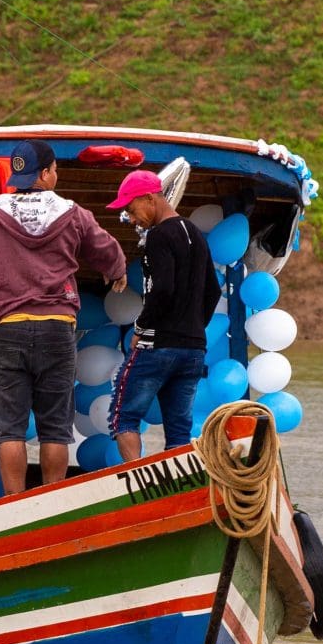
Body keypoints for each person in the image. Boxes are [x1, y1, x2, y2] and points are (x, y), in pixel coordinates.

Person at [0, 140, 127, 496]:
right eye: (55, 170)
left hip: (5, 331)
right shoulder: (72, 213)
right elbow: (107, 249)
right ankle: (53, 501)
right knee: (55, 428)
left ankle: (14, 503)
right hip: (56, 328)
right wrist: (116, 270)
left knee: (9, 429)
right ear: (46, 173)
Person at [106, 170, 222, 460]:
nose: (131, 219)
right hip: (193, 348)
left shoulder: (158, 235)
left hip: (157, 345)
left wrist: (140, 328)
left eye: (131, 210)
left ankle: (136, 481)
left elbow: (163, 289)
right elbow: (213, 291)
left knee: (124, 417)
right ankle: (177, 486)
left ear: (149, 198)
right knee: (179, 430)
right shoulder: (195, 233)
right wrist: (193, 328)